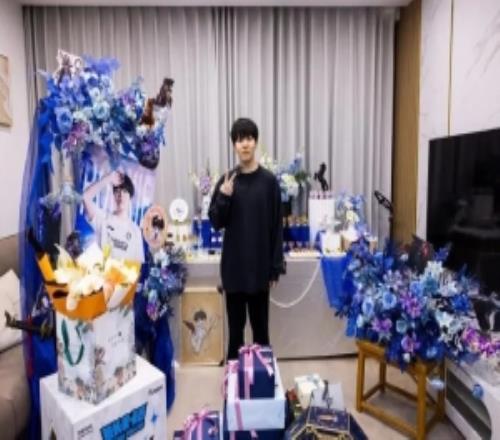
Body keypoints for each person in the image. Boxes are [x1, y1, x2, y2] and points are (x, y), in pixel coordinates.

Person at [209, 118, 284, 360]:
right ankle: (234, 379)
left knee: (261, 333)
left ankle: (262, 379)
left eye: (249, 138)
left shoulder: (269, 182)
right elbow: (215, 221)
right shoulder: (228, 181)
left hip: (260, 271)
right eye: (240, 139)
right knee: (235, 335)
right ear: (234, 145)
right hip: (234, 271)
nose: (245, 144)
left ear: (256, 142)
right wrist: (224, 196)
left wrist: (275, 268)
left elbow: (277, 227)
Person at [83, 170, 145, 262]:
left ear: (130, 196)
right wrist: (108, 178)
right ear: (113, 195)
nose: (121, 195)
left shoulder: (136, 231)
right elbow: (86, 197)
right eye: (117, 191)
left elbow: (138, 264)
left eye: (125, 191)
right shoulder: (104, 219)